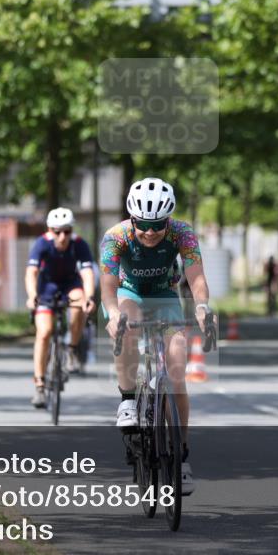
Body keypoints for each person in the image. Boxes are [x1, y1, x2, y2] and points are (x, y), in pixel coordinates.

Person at [99, 177, 213, 495]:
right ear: (132, 218)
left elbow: (196, 275)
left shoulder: (183, 233)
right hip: (128, 293)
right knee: (126, 326)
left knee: (176, 372)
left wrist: (202, 305)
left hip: (164, 294)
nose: (150, 232)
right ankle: (127, 400)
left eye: (157, 225)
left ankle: (181, 457)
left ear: (169, 220)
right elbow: (107, 284)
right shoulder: (115, 236)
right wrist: (112, 313)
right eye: (143, 225)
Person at [25, 207, 96, 408]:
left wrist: (89, 297)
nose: (62, 236)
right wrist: (32, 296)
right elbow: (31, 272)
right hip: (46, 288)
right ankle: (39, 385)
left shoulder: (79, 244)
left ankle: (72, 348)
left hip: (70, 285)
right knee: (44, 332)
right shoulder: (41, 244)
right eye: (57, 231)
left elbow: (87, 273)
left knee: (80, 301)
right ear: (50, 230)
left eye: (67, 231)